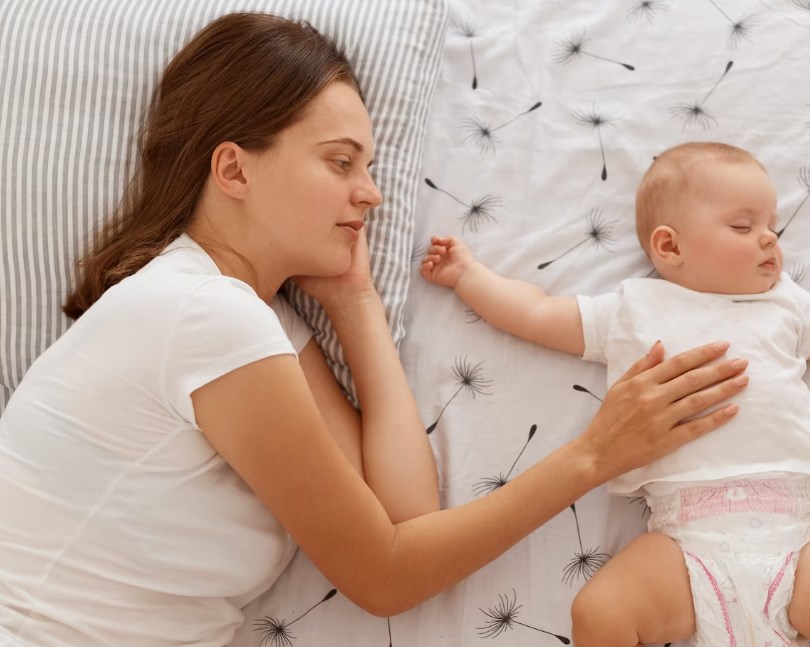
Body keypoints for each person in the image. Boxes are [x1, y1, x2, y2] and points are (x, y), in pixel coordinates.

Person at [0, 16, 752, 647]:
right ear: (233, 170)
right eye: (340, 162)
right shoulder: (205, 316)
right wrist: (595, 452)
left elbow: (407, 517)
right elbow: (386, 574)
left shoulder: (253, 316)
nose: (372, 192)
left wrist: (355, 304)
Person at [420, 141, 810, 647]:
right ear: (670, 245)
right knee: (599, 613)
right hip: (684, 539)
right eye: (742, 225)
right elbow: (539, 313)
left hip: (801, 530)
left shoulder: (785, 303)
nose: (769, 239)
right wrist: (468, 276)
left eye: (772, 227)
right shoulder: (632, 310)